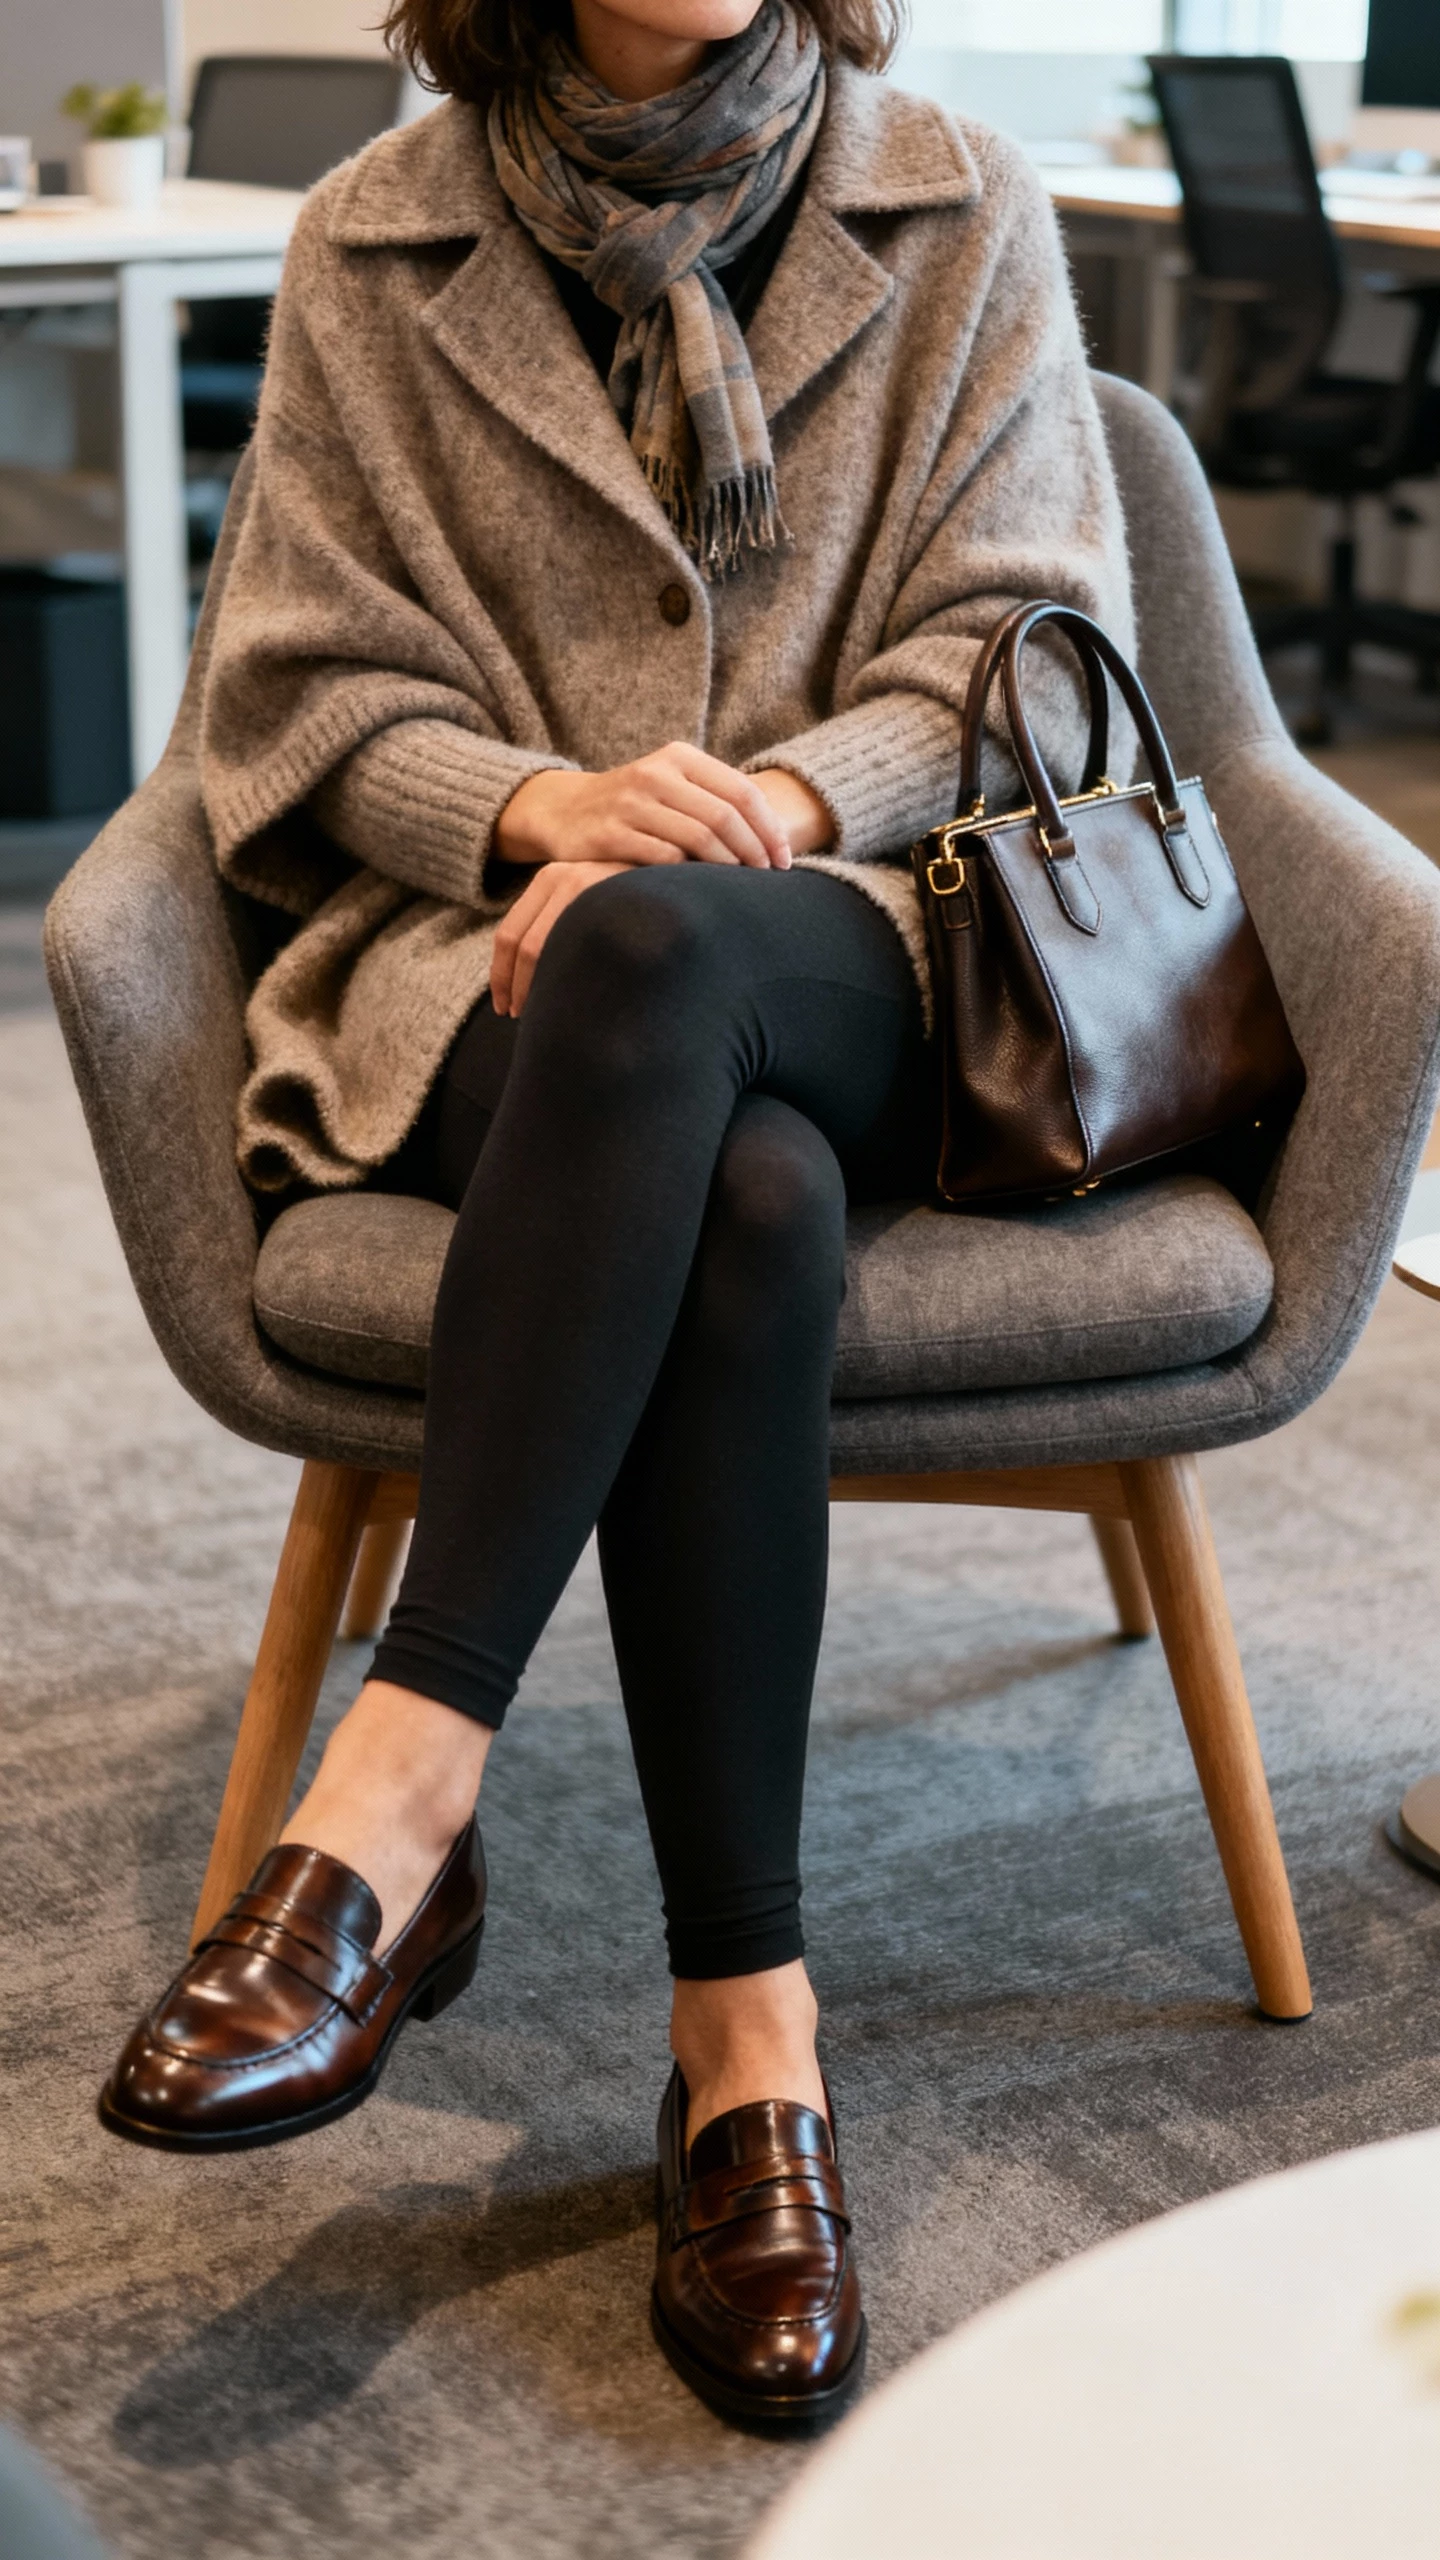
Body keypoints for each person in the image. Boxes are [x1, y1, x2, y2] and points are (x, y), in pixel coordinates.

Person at [99, 0, 1133, 2428]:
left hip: (876, 931)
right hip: (482, 965)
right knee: (742, 1192)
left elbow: (1038, 656)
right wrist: (538, 810)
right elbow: (295, 679)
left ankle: (399, 1783)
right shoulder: (382, 231)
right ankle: (745, 2046)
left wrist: (763, 813)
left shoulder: (959, 197)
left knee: (687, 969)